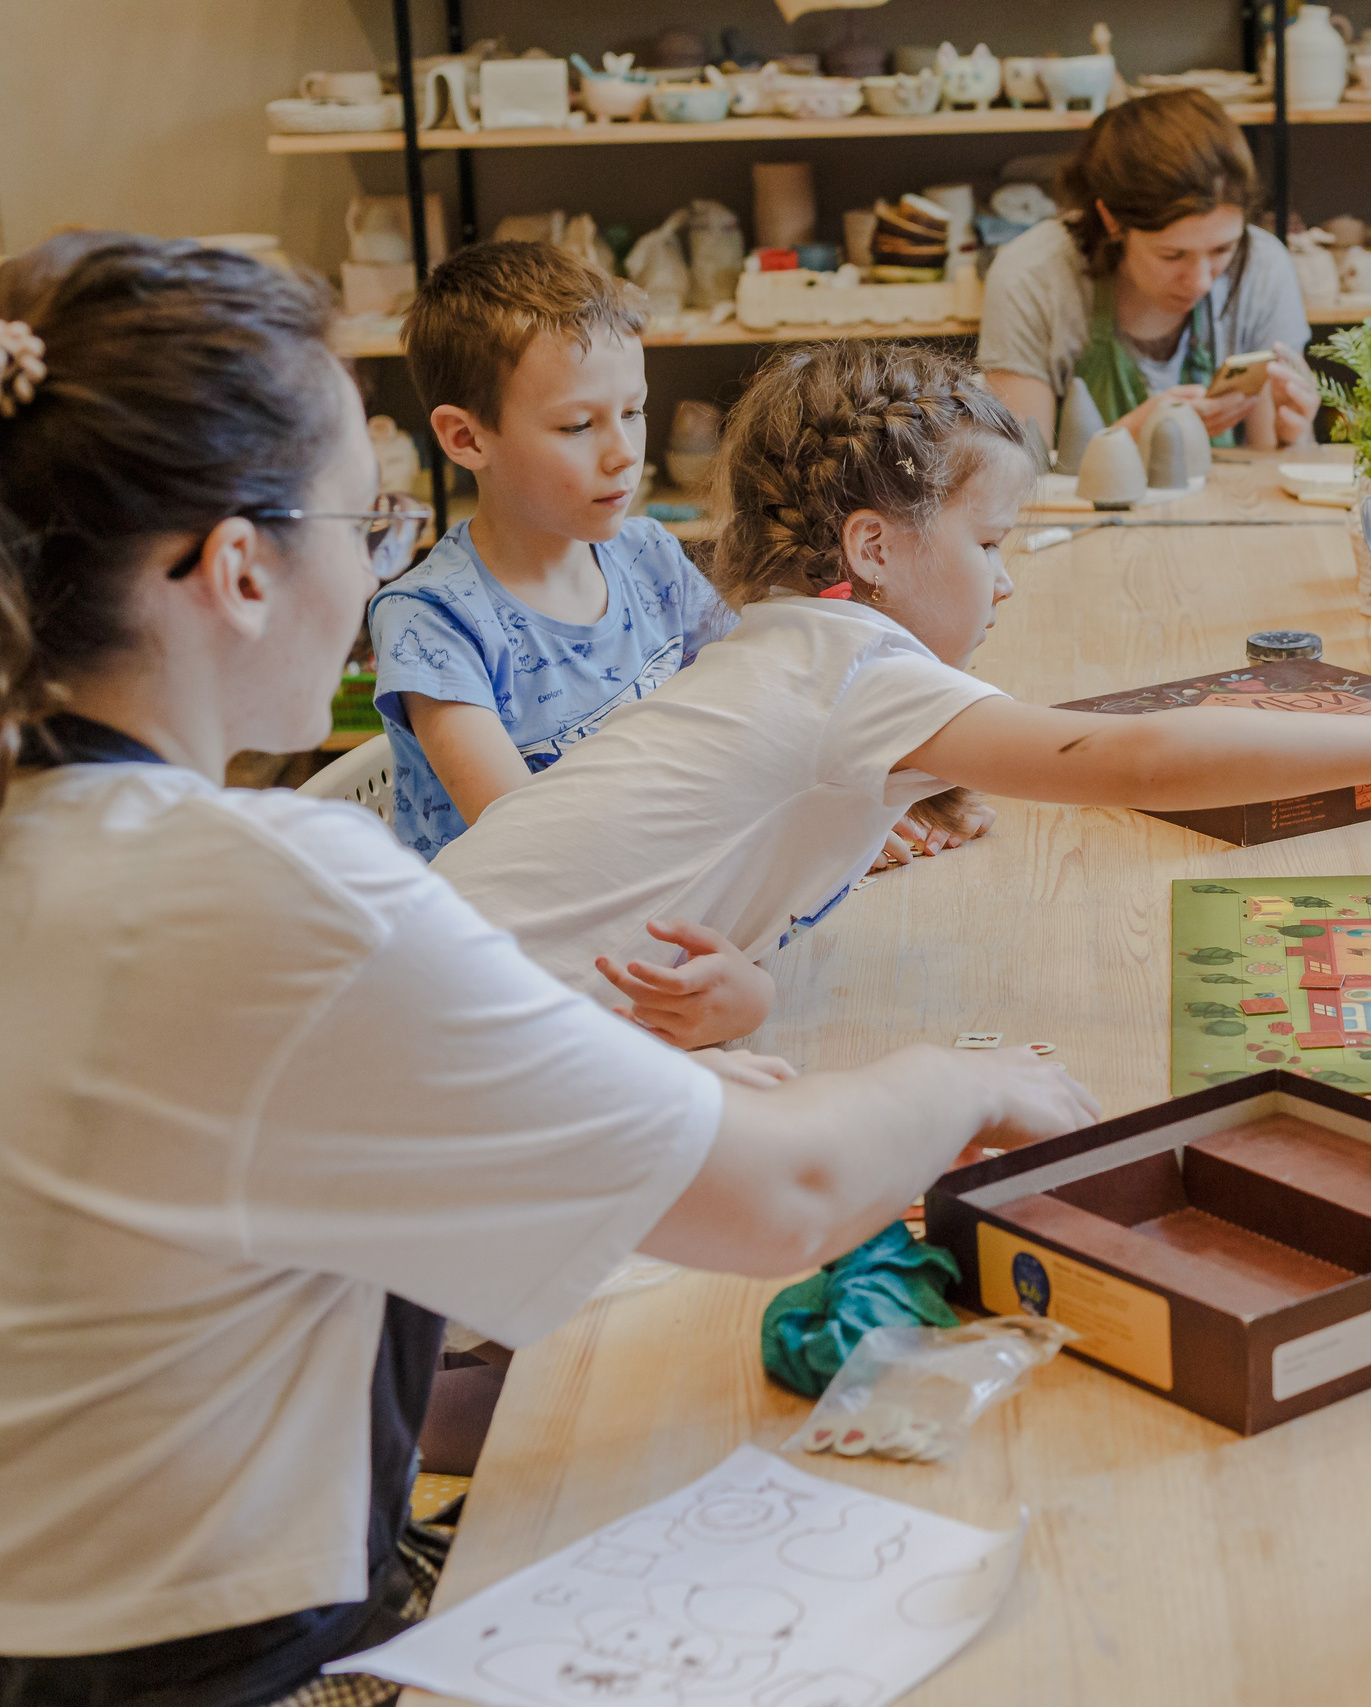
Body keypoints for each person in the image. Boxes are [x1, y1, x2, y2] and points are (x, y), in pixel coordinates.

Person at [0, 233, 1097, 1707]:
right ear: (240, 569)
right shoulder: (270, 892)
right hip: (218, 1663)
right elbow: (784, 1194)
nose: (382, 562)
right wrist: (967, 1076)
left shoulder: (64, 830)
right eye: (371, 519)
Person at [429, 340, 1371, 1042]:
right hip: (459, 1038)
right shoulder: (849, 668)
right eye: (990, 542)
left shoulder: (787, 652)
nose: (1005, 580)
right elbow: (1138, 756)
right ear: (872, 549)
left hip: (453, 992)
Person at [368, 242, 737, 862]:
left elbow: (751, 699)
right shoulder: (431, 621)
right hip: (515, 910)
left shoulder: (649, 556)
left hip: (665, 873)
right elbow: (530, 849)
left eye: (633, 411)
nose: (625, 453)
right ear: (466, 438)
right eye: (577, 426)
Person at [978, 88, 1318, 456]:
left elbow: (1270, 459)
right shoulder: (1031, 278)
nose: (1201, 281)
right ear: (1111, 220)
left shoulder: (1263, 267)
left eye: (1222, 250)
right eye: (1172, 255)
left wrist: (1294, 438)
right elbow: (1018, 475)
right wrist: (1129, 437)